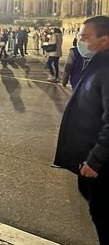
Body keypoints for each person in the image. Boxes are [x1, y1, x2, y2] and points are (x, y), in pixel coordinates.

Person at [54, 16, 109, 245]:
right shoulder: (98, 64)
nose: (80, 42)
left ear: (104, 40)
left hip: (101, 166)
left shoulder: (106, 70)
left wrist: (95, 161)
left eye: (85, 37)